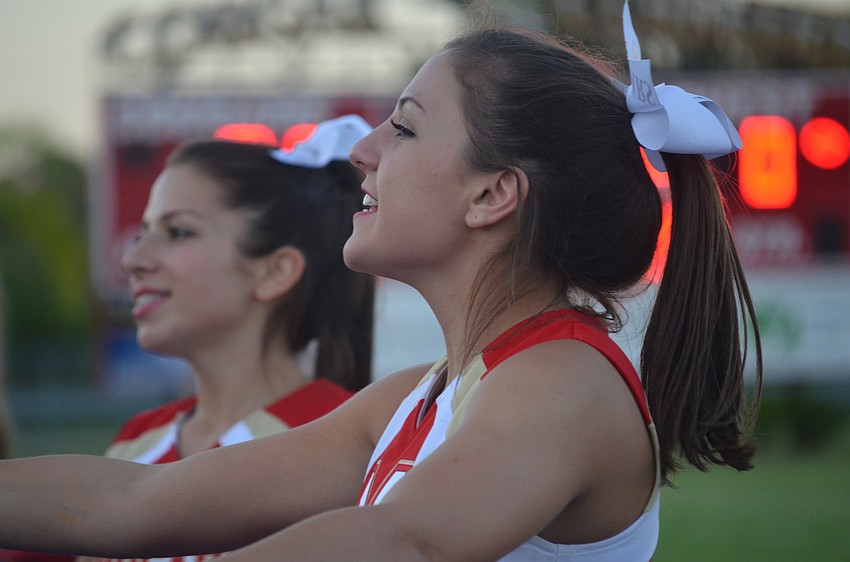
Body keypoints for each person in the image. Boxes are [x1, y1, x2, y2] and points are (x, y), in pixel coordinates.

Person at [0, 3, 762, 560]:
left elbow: (403, 540)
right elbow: (139, 500)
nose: (363, 148)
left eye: (402, 126)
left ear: (492, 194)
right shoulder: (413, 398)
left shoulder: (562, 376)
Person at [3, 115, 376, 562]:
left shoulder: (345, 435)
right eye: (142, 233)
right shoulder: (138, 439)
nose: (133, 260)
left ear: (274, 271)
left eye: (177, 232)